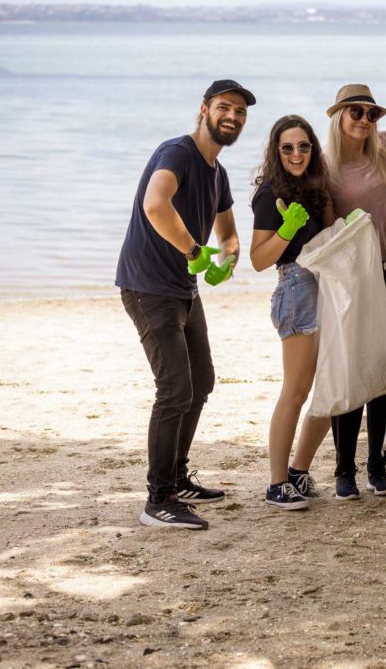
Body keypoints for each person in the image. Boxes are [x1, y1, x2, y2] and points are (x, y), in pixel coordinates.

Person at [115, 79, 255, 529]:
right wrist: (194, 252)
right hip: (148, 286)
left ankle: (177, 477)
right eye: (224, 107)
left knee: (202, 381)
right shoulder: (176, 152)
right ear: (204, 109)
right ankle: (158, 500)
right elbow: (156, 205)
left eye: (240, 111)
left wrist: (229, 255)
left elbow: (229, 231)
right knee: (175, 389)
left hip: (183, 290)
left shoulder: (218, 172)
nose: (232, 116)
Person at [323, 84, 386, 500]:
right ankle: (344, 471)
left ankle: (378, 467)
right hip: (351, 278)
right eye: (356, 112)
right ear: (339, 115)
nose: (364, 120)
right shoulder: (324, 164)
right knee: (351, 371)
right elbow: (328, 229)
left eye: (371, 113)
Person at [249, 115, 335, 510]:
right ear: (276, 151)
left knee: (333, 388)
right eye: (288, 148)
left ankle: (300, 470)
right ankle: (277, 482)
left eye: (303, 146)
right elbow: (258, 260)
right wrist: (286, 231)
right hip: (296, 288)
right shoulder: (271, 194)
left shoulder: (316, 188)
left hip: (328, 285)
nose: (297, 154)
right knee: (297, 390)